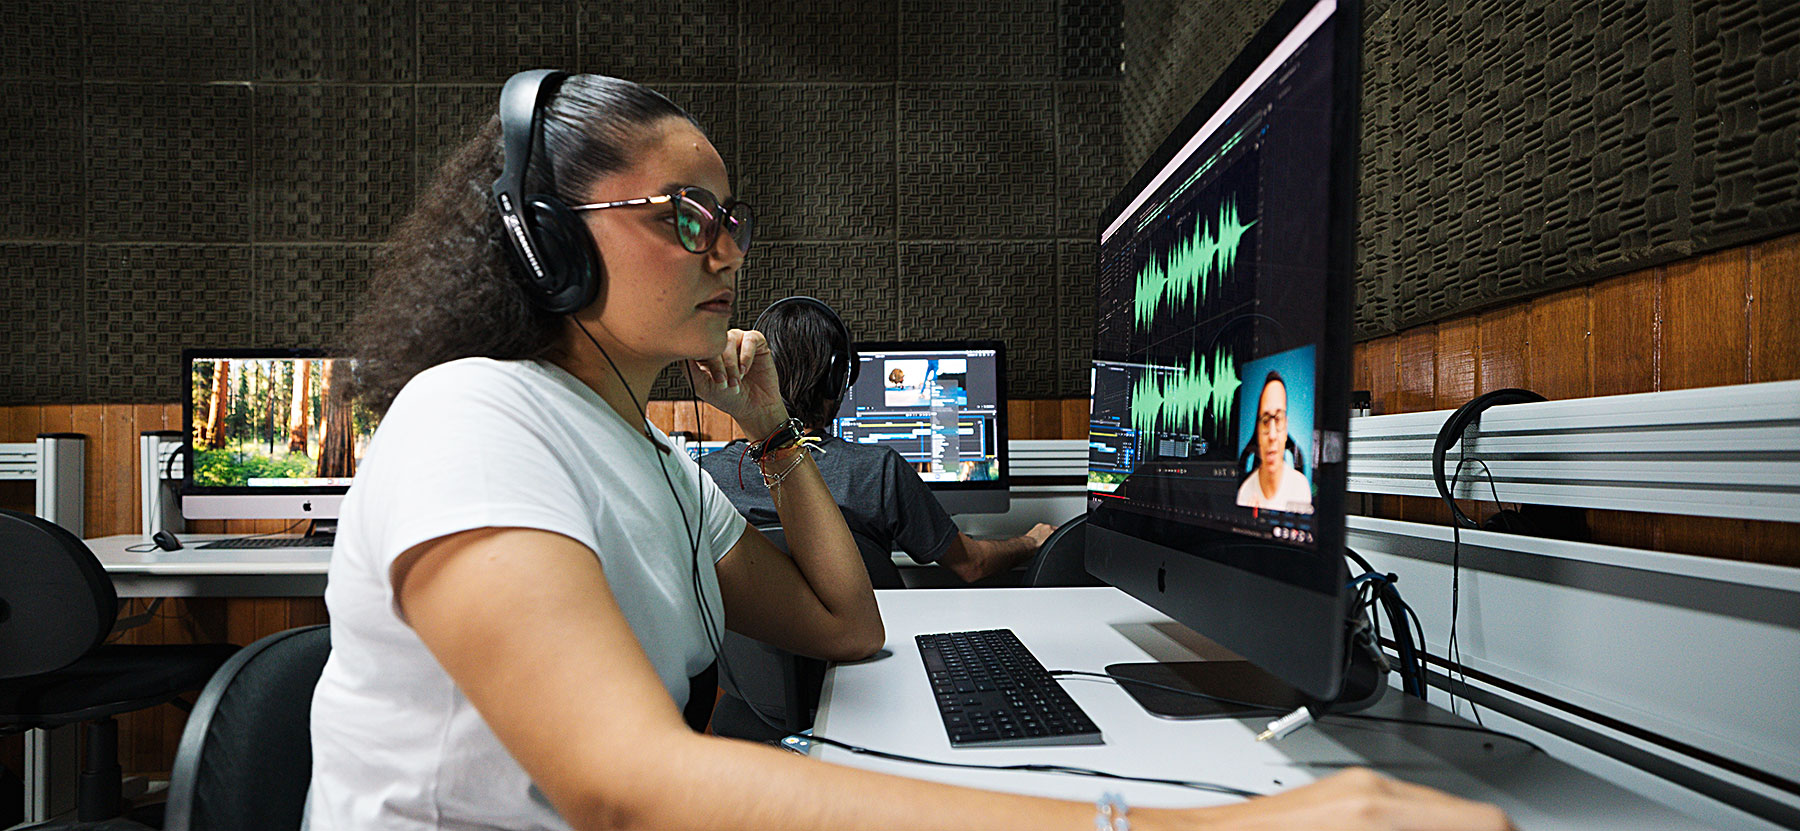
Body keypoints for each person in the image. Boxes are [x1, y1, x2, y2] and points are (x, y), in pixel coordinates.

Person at [305, 70, 1511, 831]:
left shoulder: (657, 467)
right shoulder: (474, 415)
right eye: (685, 218)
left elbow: (847, 626)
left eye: (733, 223)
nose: (728, 254)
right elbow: (626, 787)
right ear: (546, 243)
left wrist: (775, 433)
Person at [700, 297, 1054, 585]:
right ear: (837, 380)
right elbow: (971, 565)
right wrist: (1032, 542)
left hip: (744, 673)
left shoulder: (704, 476)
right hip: (862, 663)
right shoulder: (878, 470)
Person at [1237, 371, 1314, 514]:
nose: (1272, 435)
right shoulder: (1244, 493)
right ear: (1258, 431)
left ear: (1286, 427)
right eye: (1265, 421)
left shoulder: (1301, 489)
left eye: (1278, 419)